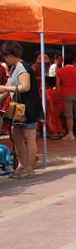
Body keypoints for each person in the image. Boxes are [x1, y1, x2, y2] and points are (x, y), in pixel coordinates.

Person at [0, 42, 44, 179]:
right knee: (16, 136)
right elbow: (7, 90)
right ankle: (21, 165)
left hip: (27, 107)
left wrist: (5, 88)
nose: (4, 59)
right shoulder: (14, 68)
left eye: (5, 56)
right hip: (17, 107)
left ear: (10, 55)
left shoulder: (22, 67)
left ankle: (29, 168)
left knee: (29, 138)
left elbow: (25, 87)